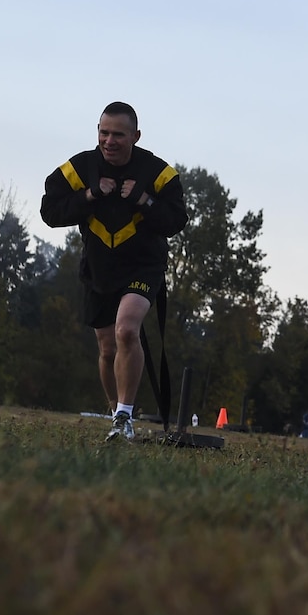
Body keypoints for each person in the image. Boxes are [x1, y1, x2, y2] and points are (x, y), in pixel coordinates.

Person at [41, 102, 188, 440]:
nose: (109, 141)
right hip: (98, 268)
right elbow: (50, 211)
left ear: (135, 136)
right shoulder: (79, 168)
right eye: (103, 132)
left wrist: (144, 200)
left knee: (126, 330)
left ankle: (125, 414)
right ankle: (115, 414)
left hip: (142, 265)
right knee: (107, 349)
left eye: (118, 135)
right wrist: (89, 195)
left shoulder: (158, 172)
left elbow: (176, 220)